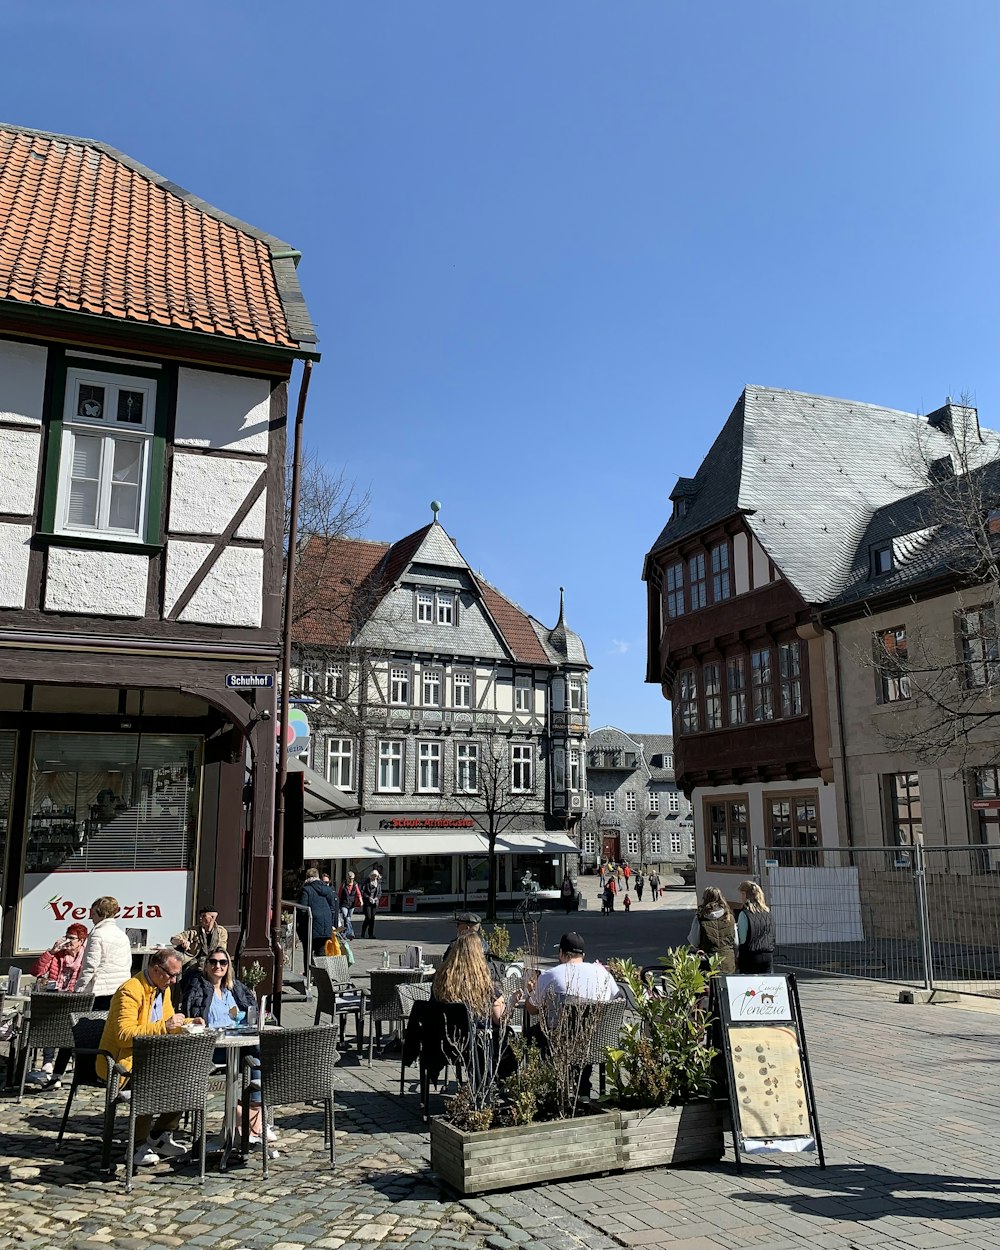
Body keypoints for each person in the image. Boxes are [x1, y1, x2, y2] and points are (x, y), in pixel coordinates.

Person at [97, 948, 204, 1167]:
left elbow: (167, 1023)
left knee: (189, 1075)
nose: (174, 981)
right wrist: (165, 1026)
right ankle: (137, 1145)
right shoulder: (130, 991)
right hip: (123, 1063)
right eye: (171, 975)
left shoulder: (161, 989)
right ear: (156, 969)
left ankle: (160, 1134)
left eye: (177, 976)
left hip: (153, 1057)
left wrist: (188, 1022)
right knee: (151, 1077)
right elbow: (124, 1035)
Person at [182, 947, 275, 1147]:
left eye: (223, 962)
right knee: (256, 1055)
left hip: (236, 1042)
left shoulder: (235, 988)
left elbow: (252, 1011)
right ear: (206, 966)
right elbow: (191, 1016)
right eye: (213, 962)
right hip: (212, 1049)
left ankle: (255, 1114)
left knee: (259, 1054)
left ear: (228, 966)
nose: (218, 966)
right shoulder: (197, 989)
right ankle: (251, 1119)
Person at [525, 932, 620, 1097]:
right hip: (596, 1041)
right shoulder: (603, 974)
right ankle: (583, 1090)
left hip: (558, 1042)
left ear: (561, 953)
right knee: (584, 1030)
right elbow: (617, 1001)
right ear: (583, 955)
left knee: (530, 1036)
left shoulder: (551, 975)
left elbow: (532, 1009)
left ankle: (551, 1090)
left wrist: (532, 992)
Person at [26, 922, 89, 1089]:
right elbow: (36, 972)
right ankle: (47, 1061)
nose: (67, 940)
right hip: (55, 999)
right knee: (51, 1021)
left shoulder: (86, 957)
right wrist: (51, 952)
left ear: (81, 941)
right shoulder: (57, 955)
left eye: (72, 938)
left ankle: (67, 1067)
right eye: (66, 936)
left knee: (69, 1028)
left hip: (75, 1001)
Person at [76, 896, 133, 1008]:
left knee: (93, 1024)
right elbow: (127, 963)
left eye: (93, 914)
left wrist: (79, 989)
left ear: (101, 914)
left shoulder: (97, 934)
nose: (91, 918)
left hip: (100, 991)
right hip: (121, 988)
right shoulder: (122, 934)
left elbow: (90, 966)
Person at [687, 887, 737, 973]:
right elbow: (736, 942)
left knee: (709, 985)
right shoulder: (729, 917)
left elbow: (694, 941)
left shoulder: (700, 918)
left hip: (708, 961)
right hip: (727, 961)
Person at [298, 867, 336, 961]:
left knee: (308, 951)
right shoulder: (327, 889)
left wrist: (300, 925)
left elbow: (302, 909)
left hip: (311, 924)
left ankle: (308, 972)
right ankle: (321, 973)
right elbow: (333, 908)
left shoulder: (306, 889)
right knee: (322, 951)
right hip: (326, 925)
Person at [737, 880, 775, 973]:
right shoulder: (767, 912)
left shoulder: (744, 914)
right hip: (767, 955)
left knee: (749, 986)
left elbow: (742, 939)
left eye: (741, 894)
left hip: (750, 956)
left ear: (745, 894)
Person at [339, 872, 363, 939]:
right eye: (350, 878)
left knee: (348, 919)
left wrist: (361, 900)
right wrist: (337, 902)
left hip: (352, 904)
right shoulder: (343, 884)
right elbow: (339, 894)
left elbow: (358, 893)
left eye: (352, 878)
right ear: (347, 877)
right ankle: (350, 932)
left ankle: (346, 933)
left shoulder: (355, 885)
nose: (351, 880)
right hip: (344, 903)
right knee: (345, 917)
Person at [360, 870, 382, 940]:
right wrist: (368, 897)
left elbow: (380, 892)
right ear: (371, 875)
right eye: (373, 876)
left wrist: (377, 898)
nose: (374, 877)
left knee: (372, 918)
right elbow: (362, 891)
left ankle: (371, 934)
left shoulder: (378, 883)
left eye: (376, 876)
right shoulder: (366, 882)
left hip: (374, 903)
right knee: (368, 917)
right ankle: (363, 931)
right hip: (367, 902)